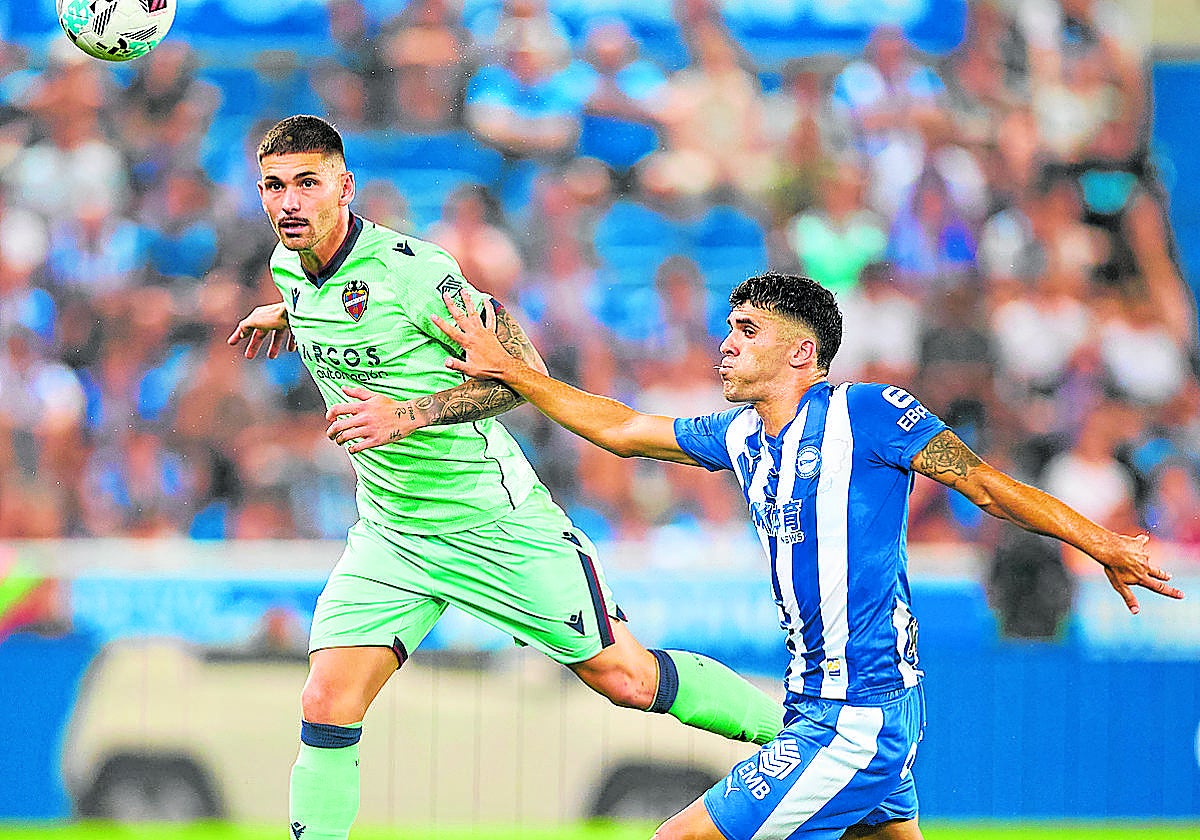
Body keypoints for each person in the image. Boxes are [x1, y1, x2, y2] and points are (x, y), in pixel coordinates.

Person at [430, 271, 1184, 840]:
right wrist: (516, 373)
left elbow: (984, 486)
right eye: (727, 326)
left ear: (801, 351)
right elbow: (623, 429)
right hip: (822, 708)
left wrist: (1103, 541)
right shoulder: (739, 437)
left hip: (856, 718)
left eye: (747, 330)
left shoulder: (868, 412)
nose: (726, 343)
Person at [226, 114, 783, 840]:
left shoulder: (411, 271)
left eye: (307, 183)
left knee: (626, 677)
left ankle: (804, 743)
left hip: (493, 520)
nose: (290, 202)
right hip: (393, 534)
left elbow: (524, 377)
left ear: (344, 186)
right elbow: (337, 311)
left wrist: (410, 414)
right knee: (327, 702)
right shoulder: (289, 267)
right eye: (274, 187)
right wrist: (288, 315)